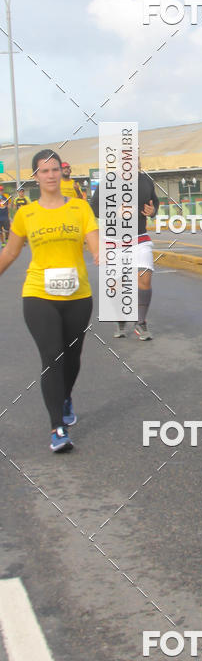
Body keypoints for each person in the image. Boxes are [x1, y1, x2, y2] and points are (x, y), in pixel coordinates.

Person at [0, 150, 99, 452]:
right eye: (44, 171)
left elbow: (94, 242)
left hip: (77, 295)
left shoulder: (80, 207)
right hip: (38, 294)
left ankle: (65, 397)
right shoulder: (26, 214)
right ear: (35, 177)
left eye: (55, 169)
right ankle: (58, 428)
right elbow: (10, 252)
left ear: (61, 172)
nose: (51, 175)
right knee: (52, 356)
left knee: (72, 357)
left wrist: (101, 255)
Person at [91, 159, 159, 340]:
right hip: (115, 241)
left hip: (140, 238)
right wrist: (114, 211)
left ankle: (141, 322)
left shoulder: (145, 180)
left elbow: (155, 202)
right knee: (116, 286)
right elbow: (94, 208)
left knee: (145, 278)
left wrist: (152, 211)